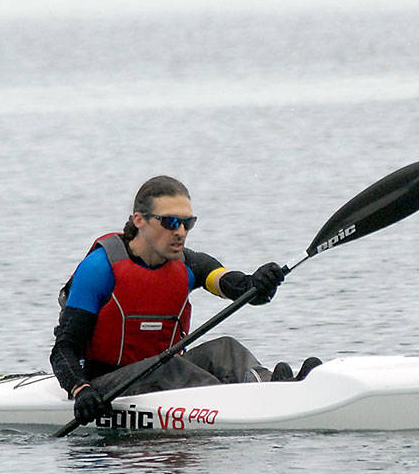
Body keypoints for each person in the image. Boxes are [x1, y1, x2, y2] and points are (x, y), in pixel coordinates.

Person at [50, 175, 320, 425]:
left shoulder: (190, 264)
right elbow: (63, 349)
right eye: (169, 222)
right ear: (139, 220)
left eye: (187, 223)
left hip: (166, 374)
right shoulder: (100, 268)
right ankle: (247, 405)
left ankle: (275, 387)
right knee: (169, 367)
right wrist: (81, 390)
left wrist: (259, 283)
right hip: (106, 384)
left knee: (226, 348)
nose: (180, 231)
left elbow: (237, 287)